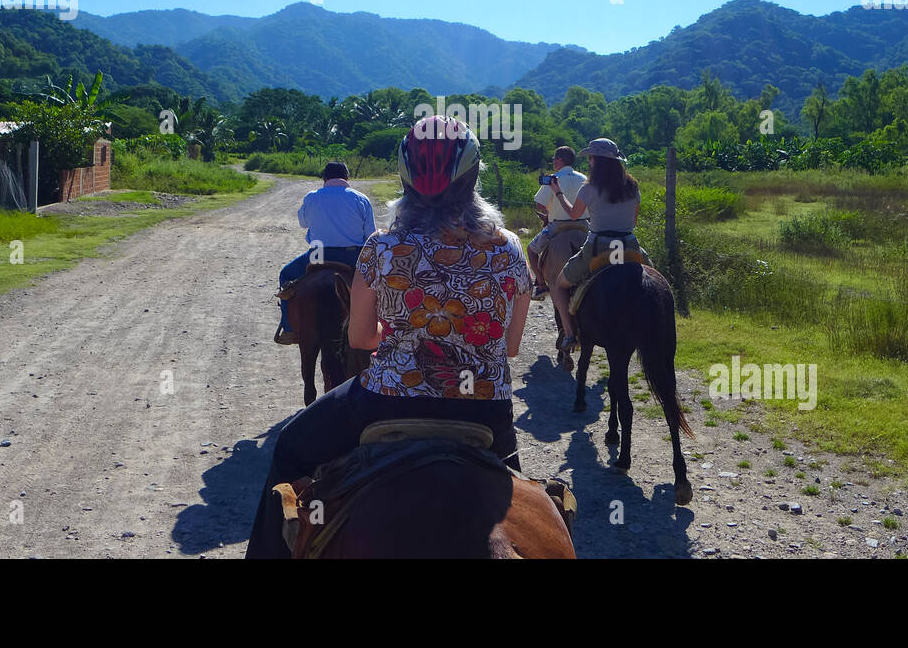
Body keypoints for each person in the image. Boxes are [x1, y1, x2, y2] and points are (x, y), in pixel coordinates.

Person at [245, 115, 533, 558]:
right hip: (486, 407)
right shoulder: (509, 247)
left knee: (290, 447)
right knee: (529, 503)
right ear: (473, 176)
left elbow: (361, 338)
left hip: (389, 398)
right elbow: (510, 347)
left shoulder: (381, 246)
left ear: (406, 177)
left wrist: (401, 334)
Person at [546, 138, 643, 353]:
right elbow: (634, 220)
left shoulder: (589, 189)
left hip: (598, 246)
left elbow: (573, 214)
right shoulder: (633, 187)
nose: (589, 161)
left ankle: (570, 334)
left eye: (590, 158)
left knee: (559, 285)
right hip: (629, 244)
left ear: (596, 161)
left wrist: (558, 193)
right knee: (654, 278)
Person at [275, 161, 376, 345]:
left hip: (318, 255)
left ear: (324, 178)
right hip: (351, 256)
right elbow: (370, 235)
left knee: (286, 274)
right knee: (377, 285)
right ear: (347, 177)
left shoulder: (312, 197)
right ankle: (380, 327)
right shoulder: (361, 198)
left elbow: (303, 223)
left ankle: (289, 329)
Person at [526, 145, 588, 298]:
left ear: (560, 160)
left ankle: (541, 284)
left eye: (554, 159)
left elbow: (540, 204)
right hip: (585, 225)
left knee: (531, 250)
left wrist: (550, 209)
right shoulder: (584, 178)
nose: (553, 162)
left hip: (557, 226)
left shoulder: (554, 179)